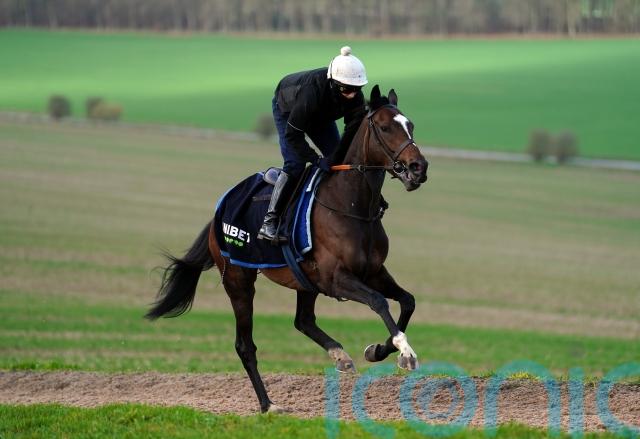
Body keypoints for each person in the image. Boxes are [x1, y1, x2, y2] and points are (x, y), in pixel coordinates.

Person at [257, 46, 369, 243]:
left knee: (339, 160)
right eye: (346, 89)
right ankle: (269, 222)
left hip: (320, 116)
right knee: (296, 164)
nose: (351, 95)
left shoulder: (354, 96)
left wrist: (338, 156)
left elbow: (351, 132)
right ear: (333, 83)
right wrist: (316, 160)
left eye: (356, 89)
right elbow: (293, 135)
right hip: (289, 110)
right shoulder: (311, 93)